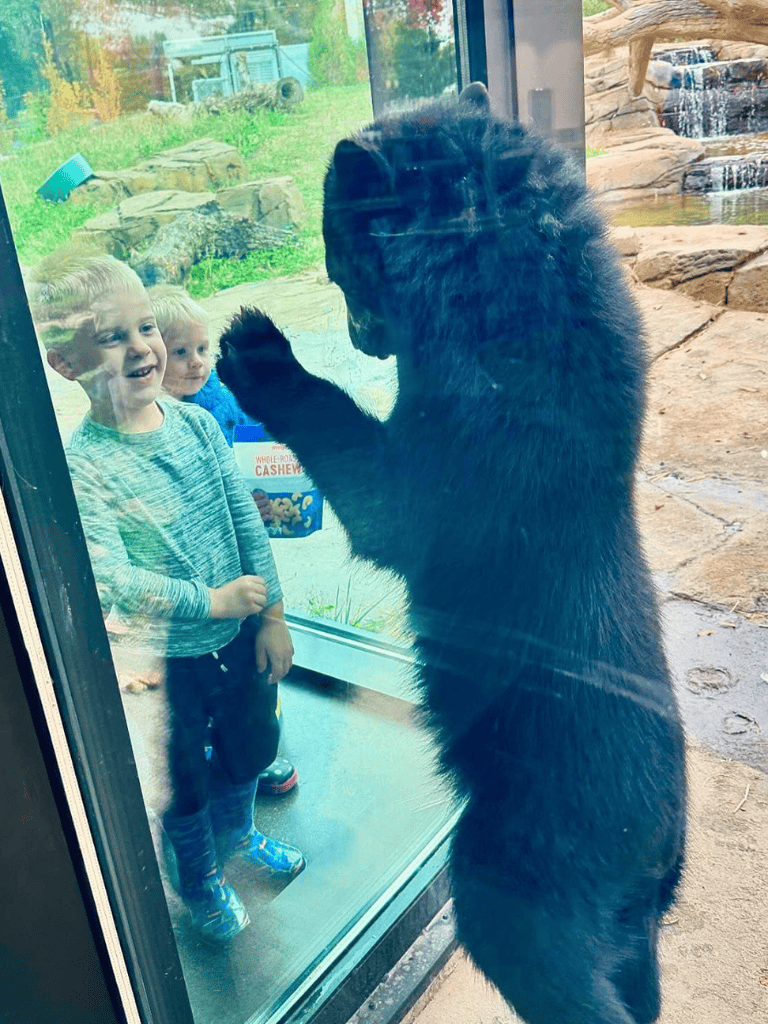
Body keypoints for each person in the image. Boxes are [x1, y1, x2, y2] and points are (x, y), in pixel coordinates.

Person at [30, 254, 305, 944]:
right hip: (166, 658)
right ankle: (199, 876)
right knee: (182, 776)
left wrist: (270, 614)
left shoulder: (197, 426)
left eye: (145, 327)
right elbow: (114, 576)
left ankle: (239, 835)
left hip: (241, 636)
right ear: (67, 363)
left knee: (251, 744)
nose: (142, 347)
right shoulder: (84, 464)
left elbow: (246, 524)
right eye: (113, 336)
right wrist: (212, 601)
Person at [149, 284, 298, 796]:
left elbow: (250, 455)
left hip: (239, 559)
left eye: (203, 349)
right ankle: (218, 752)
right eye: (181, 352)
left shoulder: (218, 402)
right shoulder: (146, 422)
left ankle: (259, 748)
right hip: (186, 585)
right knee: (194, 686)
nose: (197, 364)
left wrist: (264, 490)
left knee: (258, 659)